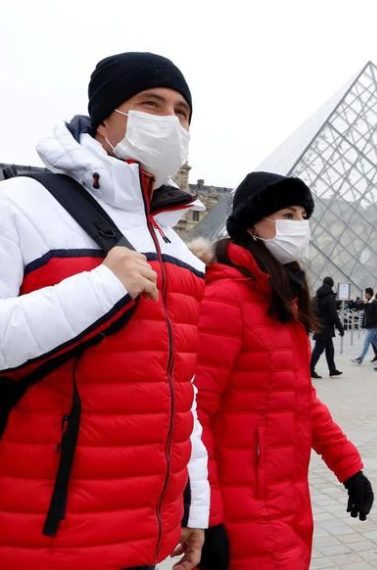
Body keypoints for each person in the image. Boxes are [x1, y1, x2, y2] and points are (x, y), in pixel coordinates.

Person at [0, 52, 209, 569]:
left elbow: (182, 394)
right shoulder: (19, 205)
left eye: (182, 111)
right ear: (104, 117)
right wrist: (102, 287)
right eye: (150, 103)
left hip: (145, 537)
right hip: (42, 537)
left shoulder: (174, 244)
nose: (170, 121)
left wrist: (194, 504)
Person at [195, 172, 373, 568]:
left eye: (303, 216)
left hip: (284, 498)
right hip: (243, 506)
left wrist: (349, 468)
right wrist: (208, 516)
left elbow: (301, 399)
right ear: (251, 223)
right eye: (287, 214)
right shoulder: (227, 298)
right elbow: (195, 414)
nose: (299, 225)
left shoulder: (279, 296)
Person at [310, 276, 345, 379]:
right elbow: (333, 314)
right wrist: (340, 328)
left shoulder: (317, 296)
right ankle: (310, 369)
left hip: (320, 326)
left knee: (330, 349)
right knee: (318, 349)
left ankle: (332, 370)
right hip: (326, 328)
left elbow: (312, 310)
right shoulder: (330, 297)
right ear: (331, 285)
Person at [352, 287, 377, 365]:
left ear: (369, 294)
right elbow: (361, 309)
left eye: (365, 293)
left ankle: (360, 359)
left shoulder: (375, 302)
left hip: (374, 326)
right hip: (370, 325)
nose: (364, 295)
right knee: (376, 342)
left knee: (366, 342)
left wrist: (372, 323)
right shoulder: (368, 302)